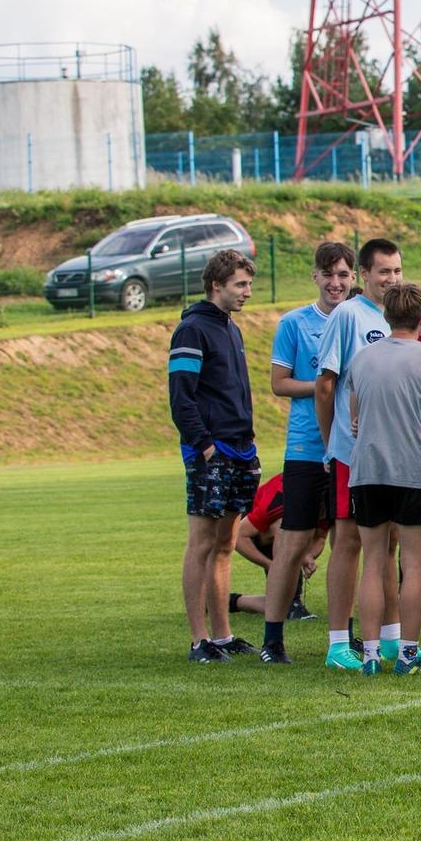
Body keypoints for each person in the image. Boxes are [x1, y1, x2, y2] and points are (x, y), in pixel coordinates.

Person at [345, 282, 421, 675]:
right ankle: (407, 654)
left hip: (367, 470)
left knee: (372, 562)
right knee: (415, 563)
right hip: (411, 471)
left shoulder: (362, 358)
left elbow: (355, 420)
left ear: (386, 316)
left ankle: (369, 653)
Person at [258, 240, 353, 664]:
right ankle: (272, 640)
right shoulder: (294, 323)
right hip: (306, 448)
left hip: (351, 448)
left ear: (354, 278)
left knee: (347, 541)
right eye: (328, 274)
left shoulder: (364, 320)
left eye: (343, 275)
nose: (336, 283)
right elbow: (279, 382)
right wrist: (322, 387)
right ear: (315, 276)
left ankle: (343, 638)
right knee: (292, 543)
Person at [169, 248, 261, 663]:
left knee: (226, 543)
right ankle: (198, 639)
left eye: (248, 284)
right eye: (240, 284)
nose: (247, 292)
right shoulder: (192, 329)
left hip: (241, 449)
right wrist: (205, 445)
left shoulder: (231, 328)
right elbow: (181, 398)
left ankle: (222, 635)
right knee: (202, 543)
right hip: (213, 451)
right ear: (216, 284)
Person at [313, 238, 401, 670]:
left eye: (397, 271)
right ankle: (336, 644)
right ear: (364, 274)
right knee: (348, 541)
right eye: (384, 271)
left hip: (394, 451)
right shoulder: (348, 315)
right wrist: (334, 441)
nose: (391, 279)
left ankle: (391, 641)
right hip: (354, 452)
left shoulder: (400, 316)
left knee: (389, 543)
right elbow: (326, 384)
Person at [226, 473, 328, 620]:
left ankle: (229, 601)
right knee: (285, 527)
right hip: (259, 532)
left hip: (286, 534)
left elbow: (320, 537)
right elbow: (238, 536)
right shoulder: (279, 500)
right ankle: (291, 601)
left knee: (279, 603)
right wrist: (271, 565)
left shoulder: (327, 500)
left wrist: (309, 555)